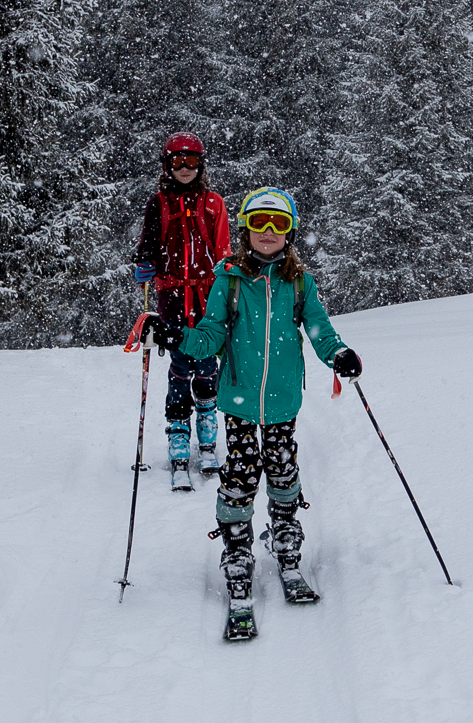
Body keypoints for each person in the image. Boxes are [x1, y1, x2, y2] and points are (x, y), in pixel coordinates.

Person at [142, 187, 362, 640]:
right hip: (239, 401)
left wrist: (338, 353)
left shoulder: (300, 282)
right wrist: (174, 335)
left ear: (290, 233)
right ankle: (238, 553)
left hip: (282, 401)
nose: (268, 233)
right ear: (244, 229)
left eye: (278, 225)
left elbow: (319, 328)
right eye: (259, 223)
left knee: (282, 473)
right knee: (241, 475)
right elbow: (209, 336)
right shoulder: (229, 280)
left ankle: (285, 543)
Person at [133, 131, 232, 479]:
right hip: (173, 297)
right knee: (180, 365)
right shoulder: (158, 203)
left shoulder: (213, 203)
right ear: (167, 166)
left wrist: (229, 284)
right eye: (178, 161)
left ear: (201, 165)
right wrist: (144, 263)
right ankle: (178, 437)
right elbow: (148, 243)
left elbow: (223, 251)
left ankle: (207, 432)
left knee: (206, 364)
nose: (185, 168)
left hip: (208, 298)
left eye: (192, 161)